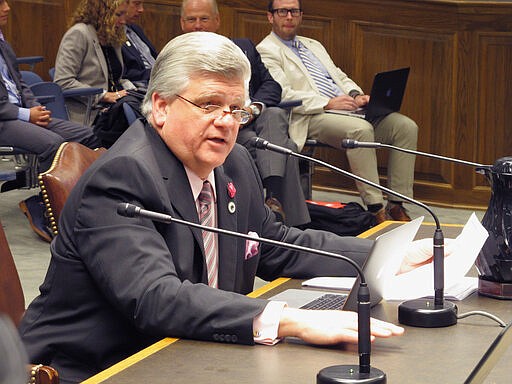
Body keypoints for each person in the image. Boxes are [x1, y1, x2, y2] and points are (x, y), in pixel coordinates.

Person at [19, 32, 411, 383]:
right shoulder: (123, 176)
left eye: (237, 109)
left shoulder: (234, 162)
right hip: (99, 367)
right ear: (161, 107)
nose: (227, 122)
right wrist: (292, 320)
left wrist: (386, 256)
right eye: (208, 104)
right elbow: (155, 297)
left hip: (190, 352)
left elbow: (271, 243)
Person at [257, 0, 419, 224]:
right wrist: (327, 103)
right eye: (282, 11)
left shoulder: (312, 44)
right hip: (311, 115)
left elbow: (338, 76)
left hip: (345, 109)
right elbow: (283, 94)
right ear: (270, 16)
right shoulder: (267, 50)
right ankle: (376, 209)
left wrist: (355, 95)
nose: (289, 17)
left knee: (404, 127)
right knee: (360, 130)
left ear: (301, 15)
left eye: (294, 11)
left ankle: (396, 204)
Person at [181, 0, 310, 227]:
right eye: (191, 19)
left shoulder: (243, 47)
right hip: (219, 125)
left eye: (204, 19)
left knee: (275, 115)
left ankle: (274, 204)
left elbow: (272, 86)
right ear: (182, 23)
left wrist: (252, 110)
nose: (198, 25)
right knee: (283, 149)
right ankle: (287, 221)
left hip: (251, 118)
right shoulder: (178, 58)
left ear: (217, 21)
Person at [0, 0, 100, 242]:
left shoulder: (3, 41)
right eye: (0, 3)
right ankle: (48, 212)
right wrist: (26, 115)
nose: (7, 8)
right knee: (52, 144)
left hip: (21, 115)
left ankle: (81, 207)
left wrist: (34, 107)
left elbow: (20, 84)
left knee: (86, 135)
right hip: (5, 120)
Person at [54, 0, 137, 124]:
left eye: (124, 14)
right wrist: (104, 95)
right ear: (101, 13)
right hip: (89, 114)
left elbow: (113, 78)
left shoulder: (111, 36)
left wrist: (132, 89)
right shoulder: (79, 34)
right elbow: (63, 82)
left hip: (114, 108)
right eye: (118, 15)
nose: (123, 21)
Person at [122, 0, 158, 88]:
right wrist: (157, 72)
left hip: (160, 80)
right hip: (140, 88)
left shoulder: (135, 29)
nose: (141, 9)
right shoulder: (111, 34)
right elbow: (124, 74)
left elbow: (153, 58)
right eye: (137, 4)